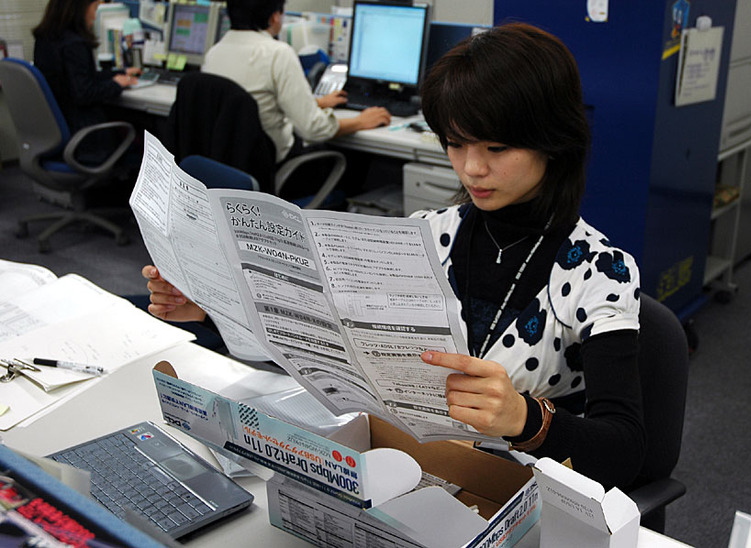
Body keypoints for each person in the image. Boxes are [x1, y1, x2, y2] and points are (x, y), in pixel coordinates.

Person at [142, 23, 645, 490]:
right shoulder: (423, 236)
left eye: (496, 148)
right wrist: (212, 308)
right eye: (455, 143)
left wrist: (525, 419)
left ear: (553, 143)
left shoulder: (600, 272)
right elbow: (323, 337)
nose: (471, 169)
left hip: (507, 495)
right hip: (400, 469)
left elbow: (626, 450)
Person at [202, 0, 391, 166]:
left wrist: (315, 103)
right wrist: (360, 121)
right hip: (271, 168)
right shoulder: (277, 53)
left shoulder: (214, 52)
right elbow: (313, 129)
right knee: (357, 159)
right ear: (275, 17)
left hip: (229, 165)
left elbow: (253, 104)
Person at [32, 0, 140, 136]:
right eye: (94, 9)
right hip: (84, 135)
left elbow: (80, 78)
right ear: (79, 9)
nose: (95, 17)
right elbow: (84, 93)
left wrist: (121, 73)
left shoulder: (45, 38)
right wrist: (115, 84)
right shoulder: (74, 44)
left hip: (59, 128)